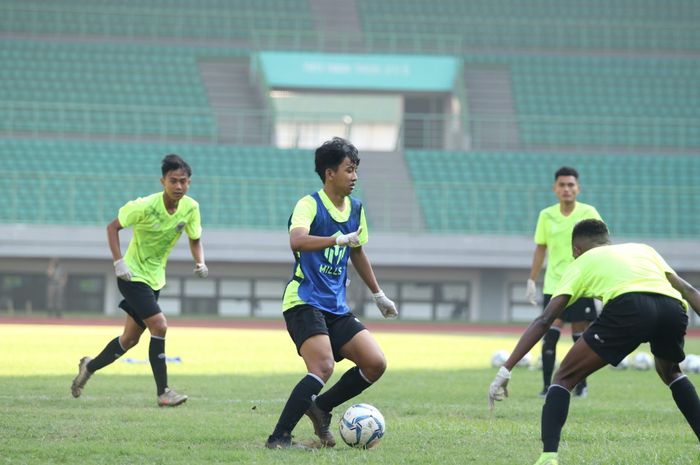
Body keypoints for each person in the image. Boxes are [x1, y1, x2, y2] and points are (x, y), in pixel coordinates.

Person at [489, 219, 700, 465]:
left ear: (576, 249)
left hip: (629, 307)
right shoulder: (644, 249)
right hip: (672, 309)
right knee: (671, 372)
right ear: (606, 239)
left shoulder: (581, 262)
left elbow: (545, 319)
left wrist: (505, 369)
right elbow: (689, 290)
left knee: (564, 378)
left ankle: (548, 458)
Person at [265, 137, 398, 449]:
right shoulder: (309, 204)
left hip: (336, 307)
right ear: (329, 173)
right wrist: (335, 240)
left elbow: (358, 252)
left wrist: (378, 295)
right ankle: (279, 438)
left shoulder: (356, 209)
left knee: (375, 363)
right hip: (304, 300)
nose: (355, 177)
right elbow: (297, 241)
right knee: (323, 366)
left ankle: (321, 408)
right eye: (349, 170)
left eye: (356, 170)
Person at [71, 154, 208, 407]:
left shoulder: (191, 208)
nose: (178, 186)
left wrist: (200, 261)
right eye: (173, 181)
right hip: (132, 275)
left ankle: (89, 366)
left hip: (155, 279)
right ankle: (164, 392)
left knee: (129, 340)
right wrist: (118, 261)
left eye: (184, 181)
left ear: (189, 183)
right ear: (162, 181)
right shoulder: (144, 206)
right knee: (160, 326)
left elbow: (195, 237)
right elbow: (112, 227)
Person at [526, 166, 602, 398]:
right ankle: (547, 387)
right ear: (555, 188)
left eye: (571, 185)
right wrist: (531, 279)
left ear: (578, 188)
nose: (566, 189)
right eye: (562, 185)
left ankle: (581, 385)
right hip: (554, 286)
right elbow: (541, 248)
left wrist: (600, 282)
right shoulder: (546, 215)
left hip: (582, 285)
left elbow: (601, 247)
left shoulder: (589, 212)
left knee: (580, 340)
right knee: (549, 335)